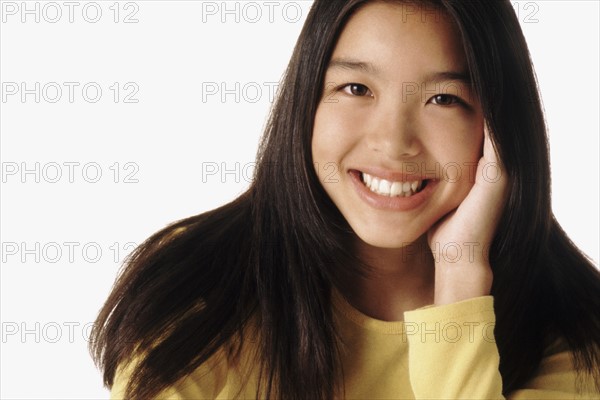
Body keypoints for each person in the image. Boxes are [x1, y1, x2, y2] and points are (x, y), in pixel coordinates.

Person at [90, 0, 600, 398]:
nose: (392, 141)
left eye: (444, 99)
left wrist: (461, 278)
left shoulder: (575, 333)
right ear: (307, 100)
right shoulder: (202, 287)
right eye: (356, 88)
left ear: (501, 133)